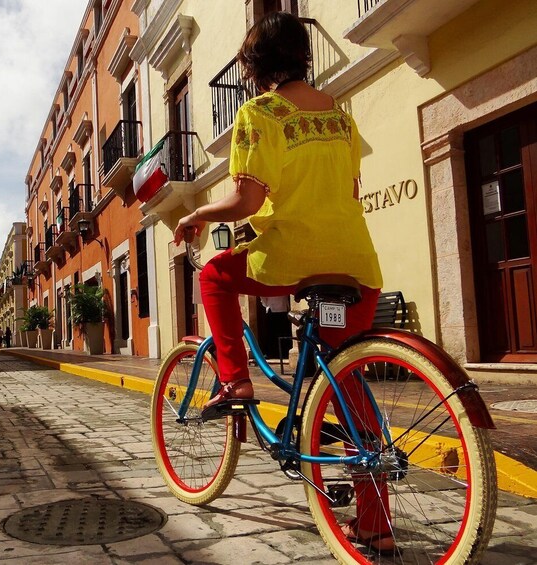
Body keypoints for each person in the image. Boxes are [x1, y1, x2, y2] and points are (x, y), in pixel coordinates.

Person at [173, 12, 390, 554]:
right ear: (304, 56)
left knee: (219, 277)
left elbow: (246, 200)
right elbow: (351, 188)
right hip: (355, 263)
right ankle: (376, 524)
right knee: (345, 380)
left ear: (257, 66)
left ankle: (234, 381)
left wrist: (198, 213)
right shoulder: (340, 117)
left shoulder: (260, 113)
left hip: (296, 257)